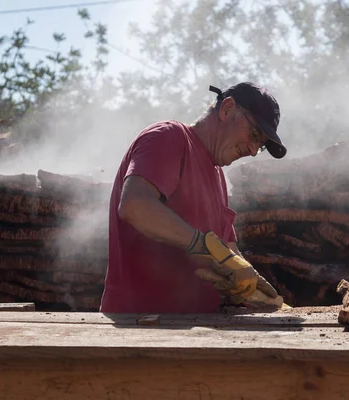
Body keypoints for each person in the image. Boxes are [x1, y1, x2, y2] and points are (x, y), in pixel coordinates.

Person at [100, 82, 287, 313]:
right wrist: (202, 245)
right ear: (227, 109)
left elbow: (227, 251)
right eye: (255, 134)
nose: (252, 150)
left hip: (192, 331)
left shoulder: (218, 176)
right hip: (140, 327)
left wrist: (250, 285)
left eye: (259, 147)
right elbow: (135, 206)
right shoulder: (169, 136)